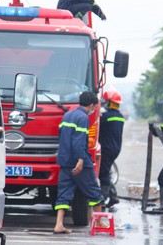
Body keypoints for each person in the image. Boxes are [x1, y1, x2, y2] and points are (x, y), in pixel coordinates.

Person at [53, 91, 105, 234]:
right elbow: (79, 140)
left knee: (64, 192)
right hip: (79, 161)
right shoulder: (83, 117)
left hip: (65, 160)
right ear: (91, 105)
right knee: (94, 191)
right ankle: (99, 221)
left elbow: (61, 135)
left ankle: (59, 224)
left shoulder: (67, 115)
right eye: (94, 106)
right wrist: (81, 160)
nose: (94, 109)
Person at [99, 89, 125, 209]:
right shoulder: (120, 116)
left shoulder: (105, 117)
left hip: (106, 148)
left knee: (103, 174)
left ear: (109, 103)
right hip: (115, 148)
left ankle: (103, 200)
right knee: (106, 171)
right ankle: (113, 197)